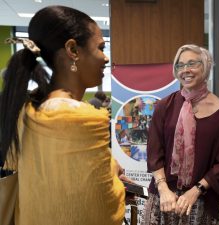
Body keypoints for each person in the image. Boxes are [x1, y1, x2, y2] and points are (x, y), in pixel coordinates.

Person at [0, 6, 125, 225]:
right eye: (101, 48)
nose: (105, 58)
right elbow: (101, 211)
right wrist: (115, 174)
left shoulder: (27, 111)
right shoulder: (83, 118)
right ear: (73, 50)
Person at [141, 44, 219, 225]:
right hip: (163, 198)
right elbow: (154, 152)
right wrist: (162, 189)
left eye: (192, 63)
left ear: (206, 66)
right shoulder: (164, 106)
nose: (186, 70)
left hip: (199, 200)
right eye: (180, 65)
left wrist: (195, 191)